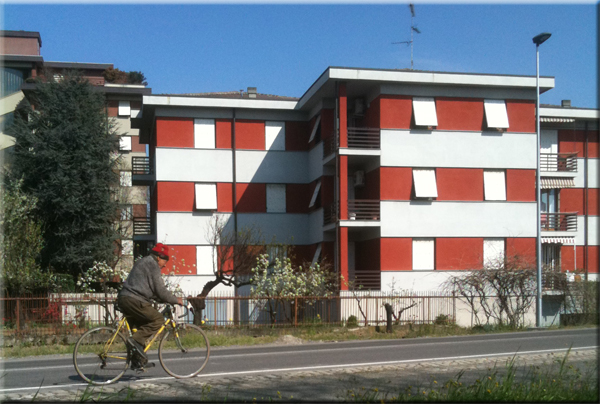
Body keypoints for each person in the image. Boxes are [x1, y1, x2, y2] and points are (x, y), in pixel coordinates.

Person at [117, 243, 183, 368]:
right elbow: (160, 290)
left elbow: (150, 291)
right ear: (159, 257)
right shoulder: (153, 265)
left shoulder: (143, 262)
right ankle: (134, 341)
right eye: (165, 260)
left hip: (126, 298)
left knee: (141, 328)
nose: (165, 264)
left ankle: (138, 361)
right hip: (134, 300)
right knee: (158, 320)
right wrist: (175, 300)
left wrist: (163, 299)